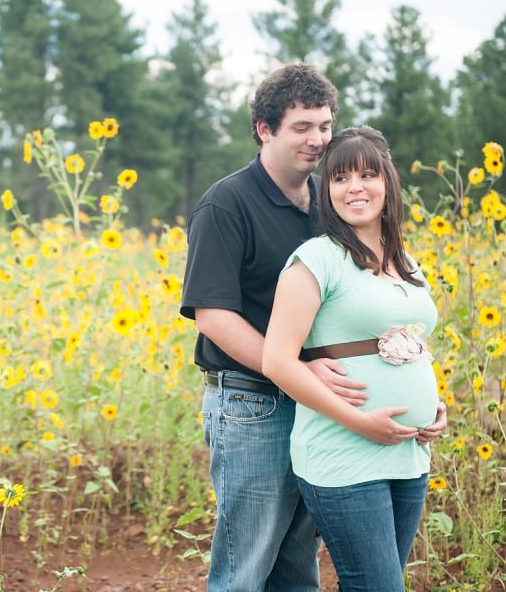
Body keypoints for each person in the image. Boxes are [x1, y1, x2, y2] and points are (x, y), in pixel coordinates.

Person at [180, 64, 446, 591]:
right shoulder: (228, 203)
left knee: (297, 557)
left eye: (324, 125)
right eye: (302, 127)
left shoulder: (331, 200)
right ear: (264, 128)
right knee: (247, 560)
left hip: (317, 406)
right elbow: (213, 316)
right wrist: (298, 367)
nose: (318, 139)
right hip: (253, 400)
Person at [262, 126, 441, 591]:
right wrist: (362, 422)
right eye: (340, 178)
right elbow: (277, 361)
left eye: (367, 174)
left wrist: (433, 403)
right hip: (343, 454)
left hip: (409, 452)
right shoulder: (316, 259)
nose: (354, 187)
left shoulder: (407, 261)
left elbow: (413, 342)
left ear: (388, 183)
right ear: (328, 191)